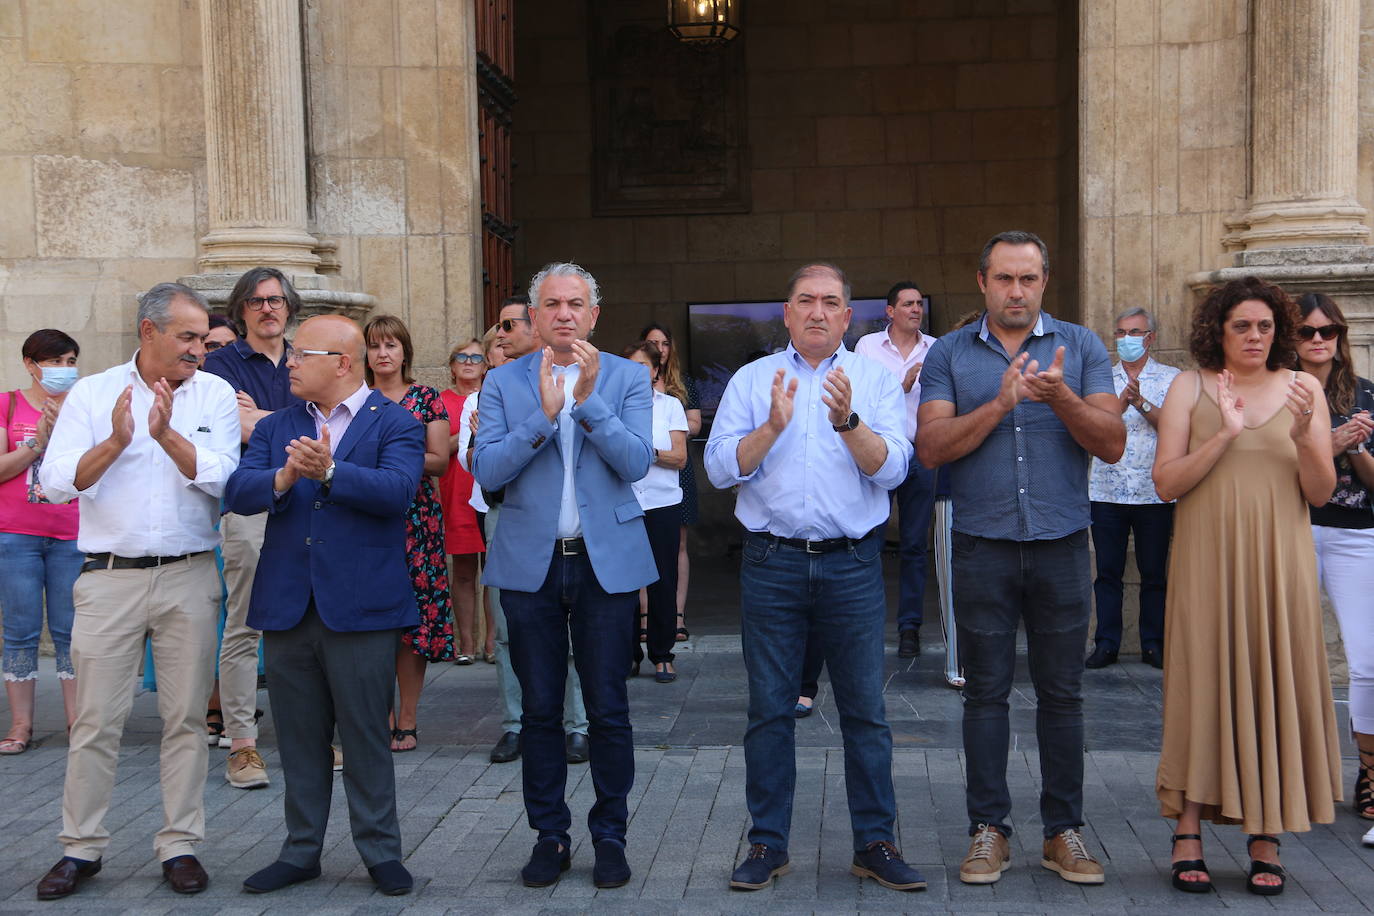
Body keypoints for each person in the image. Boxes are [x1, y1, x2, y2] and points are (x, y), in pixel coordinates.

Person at [706, 262, 925, 894]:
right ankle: (767, 844)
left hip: (851, 563)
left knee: (865, 712)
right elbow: (721, 469)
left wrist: (849, 423)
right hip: (772, 563)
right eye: (806, 301)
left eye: (831, 302)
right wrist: (771, 427)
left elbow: (894, 471)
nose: (818, 312)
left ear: (848, 316)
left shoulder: (875, 381)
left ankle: (875, 843)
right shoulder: (754, 381)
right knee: (769, 711)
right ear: (787, 312)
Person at [917, 230, 1124, 887]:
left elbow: (1113, 443)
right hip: (981, 544)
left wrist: (1057, 396)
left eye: (1028, 279)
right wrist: (1002, 401)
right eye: (1004, 279)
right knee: (986, 695)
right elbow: (931, 446)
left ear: (1044, 283)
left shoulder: (1083, 347)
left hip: (1063, 543)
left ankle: (1063, 832)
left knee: (1064, 696)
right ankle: (989, 831)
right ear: (982, 282)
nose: (1016, 291)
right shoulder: (949, 354)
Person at [35, 283, 240, 900]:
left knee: (184, 720)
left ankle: (179, 844)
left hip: (189, 574)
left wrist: (167, 436)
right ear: (148, 332)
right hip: (108, 577)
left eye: (203, 338)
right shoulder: (94, 393)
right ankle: (81, 847)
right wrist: (119, 442)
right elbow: (55, 482)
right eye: (186, 337)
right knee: (96, 719)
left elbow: (224, 476)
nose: (198, 350)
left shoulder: (216, 393)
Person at [224, 315, 424, 896]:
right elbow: (238, 490)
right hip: (288, 604)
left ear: (341, 361)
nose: (287, 360)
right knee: (299, 736)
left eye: (299, 353)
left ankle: (381, 852)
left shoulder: (397, 422)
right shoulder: (278, 424)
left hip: (362, 606)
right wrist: (285, 476)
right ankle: (301, 850)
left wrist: (333, 471)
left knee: (364, 735)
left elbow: (399, 494)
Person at [1152, 277, 1340, 896]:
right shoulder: (1190, 386)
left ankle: (1266, 832)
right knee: (1202, 678)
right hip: (1207, 556)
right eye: (1242, 326)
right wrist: (1226, 433)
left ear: (1277, 330)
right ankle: (1187, 830)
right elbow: (1166, 483)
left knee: (1270, 678)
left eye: (1264, 326)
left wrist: (1301, 435)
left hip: (1279, 559)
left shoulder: (1303, 388)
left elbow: (1319, 492)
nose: (1255, 336)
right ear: (1219, 331)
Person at [472, 262, 654, 890]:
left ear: (594, 314)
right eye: (552, 304)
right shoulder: (500, 382)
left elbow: (635, 462)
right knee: (542, 709)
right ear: (534, 314)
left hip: (605, 564)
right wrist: (543, 418)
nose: (565, 314)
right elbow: (488, 473)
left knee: (608, 706)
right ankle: (549, 834)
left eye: (576, 303)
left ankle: (610, 836)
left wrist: (590, 401)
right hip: (531, 563)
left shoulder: (628, 375)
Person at [470, 294, 591, 767]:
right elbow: (484, 465)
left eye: (507, 326)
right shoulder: (497, 385)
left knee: (574, 629)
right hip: (508, 516)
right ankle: (516, 724)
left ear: (535, 326)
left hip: (567, 523)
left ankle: (576, 725)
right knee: (507, 628)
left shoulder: (587, 376)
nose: (498, 334)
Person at [202, 266, 305, 789]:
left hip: (309, 505)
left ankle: (312, 736)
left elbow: (326, 424)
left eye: (278, 300)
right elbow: (232, 427)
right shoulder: (219, 364)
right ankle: (242, 745)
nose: (269, 308)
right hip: (249, 507)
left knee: (311, 620)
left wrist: (260, 418)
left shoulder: (305, 355)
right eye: (259, 301)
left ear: (289, 307)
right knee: (245, 623)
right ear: (241, 308)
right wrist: (287, 421)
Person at [1294, 293, 1374, 834]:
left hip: (1356, 536)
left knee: (1367, 663)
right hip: (1292, 527)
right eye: (1307, 331)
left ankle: (1369, 774)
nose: (1319, 340)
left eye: (1329, 331)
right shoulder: (1278, 389)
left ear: (1341, 336)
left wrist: (1354, 450)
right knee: (1284, 658)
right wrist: (1326, 442)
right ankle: (1289, 775)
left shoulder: (1366, 394)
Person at [364, 315, 454, 752]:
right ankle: (376, 716)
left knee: (413, 624)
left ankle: (408, 718)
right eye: (375, 346)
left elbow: (439, 459)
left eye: (391, 345)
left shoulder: (425, 398)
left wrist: (389, 462)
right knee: (371, 623)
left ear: (404, 352)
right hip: (365, 519)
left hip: (416, 520)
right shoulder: (357, 400)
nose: (383, 353)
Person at [0, 330, 82, 755]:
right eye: (55, 362)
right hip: (17, 534)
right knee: (20, 631)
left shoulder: (84, 409)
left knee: (72, 632)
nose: (64, 370)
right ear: (31, 364)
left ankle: (76, 724)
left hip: (71, 532)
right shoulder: (8, 404)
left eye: (70, 361)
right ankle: (20, 726)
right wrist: (38, 442)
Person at [1085, 307, 1181, 669]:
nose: (1126, 340)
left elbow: (1175, 427)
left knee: (1154, 573)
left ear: (1150, 338)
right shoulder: (1099, 379)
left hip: (1153, 490)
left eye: (1134, 332)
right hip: (1107, 490)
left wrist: (1140, 403)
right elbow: (1090, 429)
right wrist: (1119, 404)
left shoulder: (1172, 379)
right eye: (1121, 333)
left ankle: (1153, 644)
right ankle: (1106, 643)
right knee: (1107, 572)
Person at [854, 281, 938, 659]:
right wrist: (900, 388)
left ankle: (910, 628)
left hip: (920, 455)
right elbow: (858, 404)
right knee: (867, 539)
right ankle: (865, 623)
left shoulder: (936, 349)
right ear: (890, 311)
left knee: (916, 546)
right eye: (907, 304)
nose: (915, 309)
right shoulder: (868, 347)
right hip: (881, 452)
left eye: (919, 304)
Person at [622, 341, 688, 682]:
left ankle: (662, 653)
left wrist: (641, 451)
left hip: (663, 503)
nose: (636, 372)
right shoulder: (613, 407)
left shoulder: (670, 406)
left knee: (664, 579)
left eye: (642, 365)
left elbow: (679, 457)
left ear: (655, 371)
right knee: (625, 582)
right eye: (629, 365)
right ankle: (628, 655)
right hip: (626, 502)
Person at [641, 322, 700, 642]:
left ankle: (676, 614)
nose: (659, 349)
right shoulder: (631, 385)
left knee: (677, 544)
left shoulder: (682, 383)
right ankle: (644, 616)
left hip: (678, 470)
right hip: (643, 478)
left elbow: (694, 424)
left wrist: (669, 416)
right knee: (640, 547)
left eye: (664, 343)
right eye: (652, 343)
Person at [439, 338, 488, 665]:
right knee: (465, 572)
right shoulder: (441, 402)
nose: (469, 362)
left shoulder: (493, 396)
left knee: (495, 574)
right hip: (456, 493)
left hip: (487, 490)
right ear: (452, 365)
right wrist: (468, 435)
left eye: (475, 357)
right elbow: (439, 449)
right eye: (462, 357)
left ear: (485, 365)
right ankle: (466, 643)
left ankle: (492, 643)